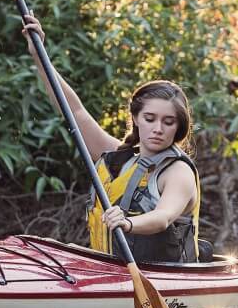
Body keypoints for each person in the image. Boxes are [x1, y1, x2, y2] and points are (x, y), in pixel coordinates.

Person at [21, 15, 203, 263]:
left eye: (168, 122)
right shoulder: (121, 158)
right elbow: (75, 112)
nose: (158, 128)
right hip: (109, 273)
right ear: (136, 118)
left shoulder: (177, 171)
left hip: (163, 280)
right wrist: (40, 57)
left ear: (178, 126)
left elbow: (163, 217)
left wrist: (127, 223)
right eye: (150, 118)